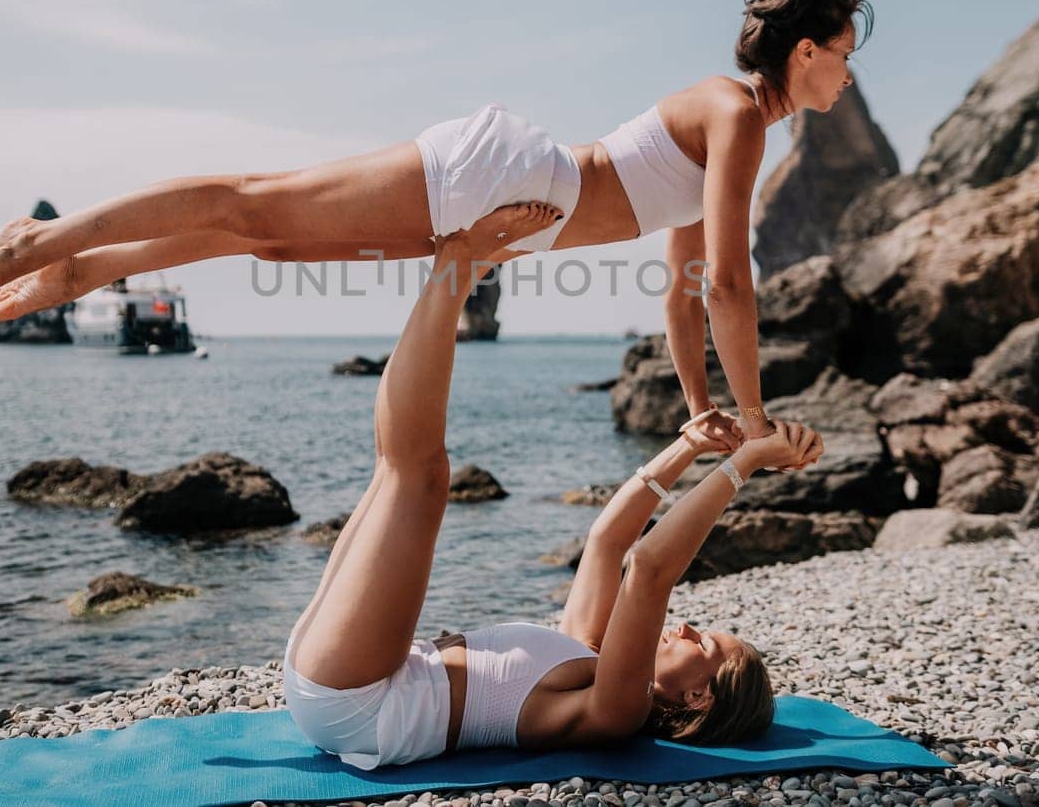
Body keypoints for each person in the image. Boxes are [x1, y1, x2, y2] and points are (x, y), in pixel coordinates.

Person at [0, 0, 870, 445]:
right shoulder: (740, 115)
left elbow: (685, 279)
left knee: (262, 238)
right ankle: (41, 238)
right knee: (255, 200)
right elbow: (731, 287)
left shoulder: (735, 122)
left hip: (512, 215)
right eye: (844, 58)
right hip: (509, 181)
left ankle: (77, 272)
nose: (848, 80)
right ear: (805, 49)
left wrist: (699, 403)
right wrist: (752, 421)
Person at [280, 201, 824, 770]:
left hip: (360, 701)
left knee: (417, 477)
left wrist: (744, 467)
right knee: (398, 470)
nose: (686, 626)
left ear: (697, 697)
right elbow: (609, 541)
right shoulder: (588, 652)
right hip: (351, 675)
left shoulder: (616, 711)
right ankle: (458, 267)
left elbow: (649, 569)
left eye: (703, 645)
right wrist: (689, 445)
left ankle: (458, 264)